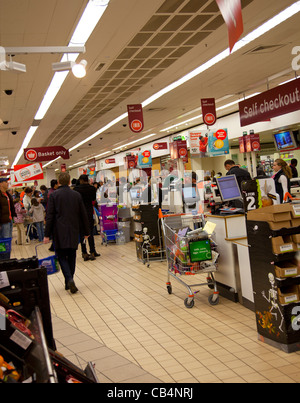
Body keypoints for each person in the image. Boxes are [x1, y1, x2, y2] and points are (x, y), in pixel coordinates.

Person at [44, 172, 90, 294]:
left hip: (59, 230)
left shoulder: (54, 196)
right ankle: (69, 281)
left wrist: (46, 234)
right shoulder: (76, 195)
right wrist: (86, 231)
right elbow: (83, 214)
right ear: (69, 182)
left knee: (61, 256)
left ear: (58, 182)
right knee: (72, 255)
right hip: (74, 229)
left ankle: (69, 279)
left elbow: (50, 216)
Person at [74, 174, 100, 261]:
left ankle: (84, 253)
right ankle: (92, 252)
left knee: (82, 234)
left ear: (81, 180)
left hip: (80, 213)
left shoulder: (76, 189)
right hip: (89, 212)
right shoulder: (92, 188)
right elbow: (93, 199)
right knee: (90, 232)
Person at [0, 178, 16, 259]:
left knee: (8, 242)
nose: (7, 183)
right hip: (3, 222)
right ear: (1, 184)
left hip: (9, 221)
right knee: (4, 243)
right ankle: (3, 261)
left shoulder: (7, 194)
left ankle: (7, 260)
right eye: (5, 182)